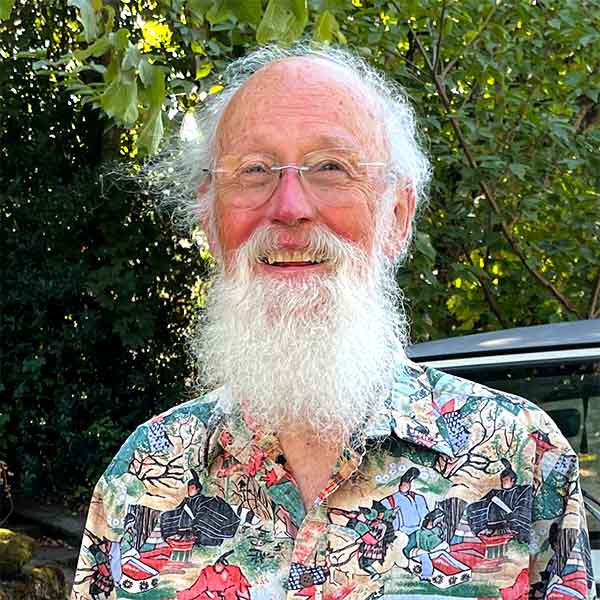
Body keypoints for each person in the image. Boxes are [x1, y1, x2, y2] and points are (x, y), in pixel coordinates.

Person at [71, 44, 595, 600]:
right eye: (254, 171)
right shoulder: (142, 477)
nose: (290, 206)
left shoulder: (522, 460)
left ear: (396, 216)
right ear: (210, 217)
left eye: (331, 168)